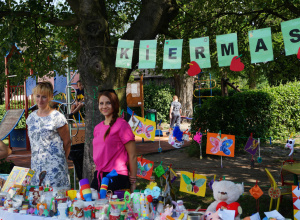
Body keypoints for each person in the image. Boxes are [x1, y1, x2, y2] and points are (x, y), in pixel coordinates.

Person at [26, 81, 71, 188]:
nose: (40, 100)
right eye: (38, 96)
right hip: (36, 166)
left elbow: (67, 142)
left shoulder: (57, 117)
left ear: (50, 97)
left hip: (55, 168)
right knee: (38, 199)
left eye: (44, 97)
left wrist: (60, 161)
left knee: (57, 200)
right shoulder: (31, 118)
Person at [91, 89, 137, 193]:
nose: (104, 106)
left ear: (114, 104)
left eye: (108, 103)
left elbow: (133, 155)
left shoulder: (122, 125)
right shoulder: (97, 128)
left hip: (117, 177)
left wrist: (133, 181)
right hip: (99, 176)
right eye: (101, 103)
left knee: (114, 209)